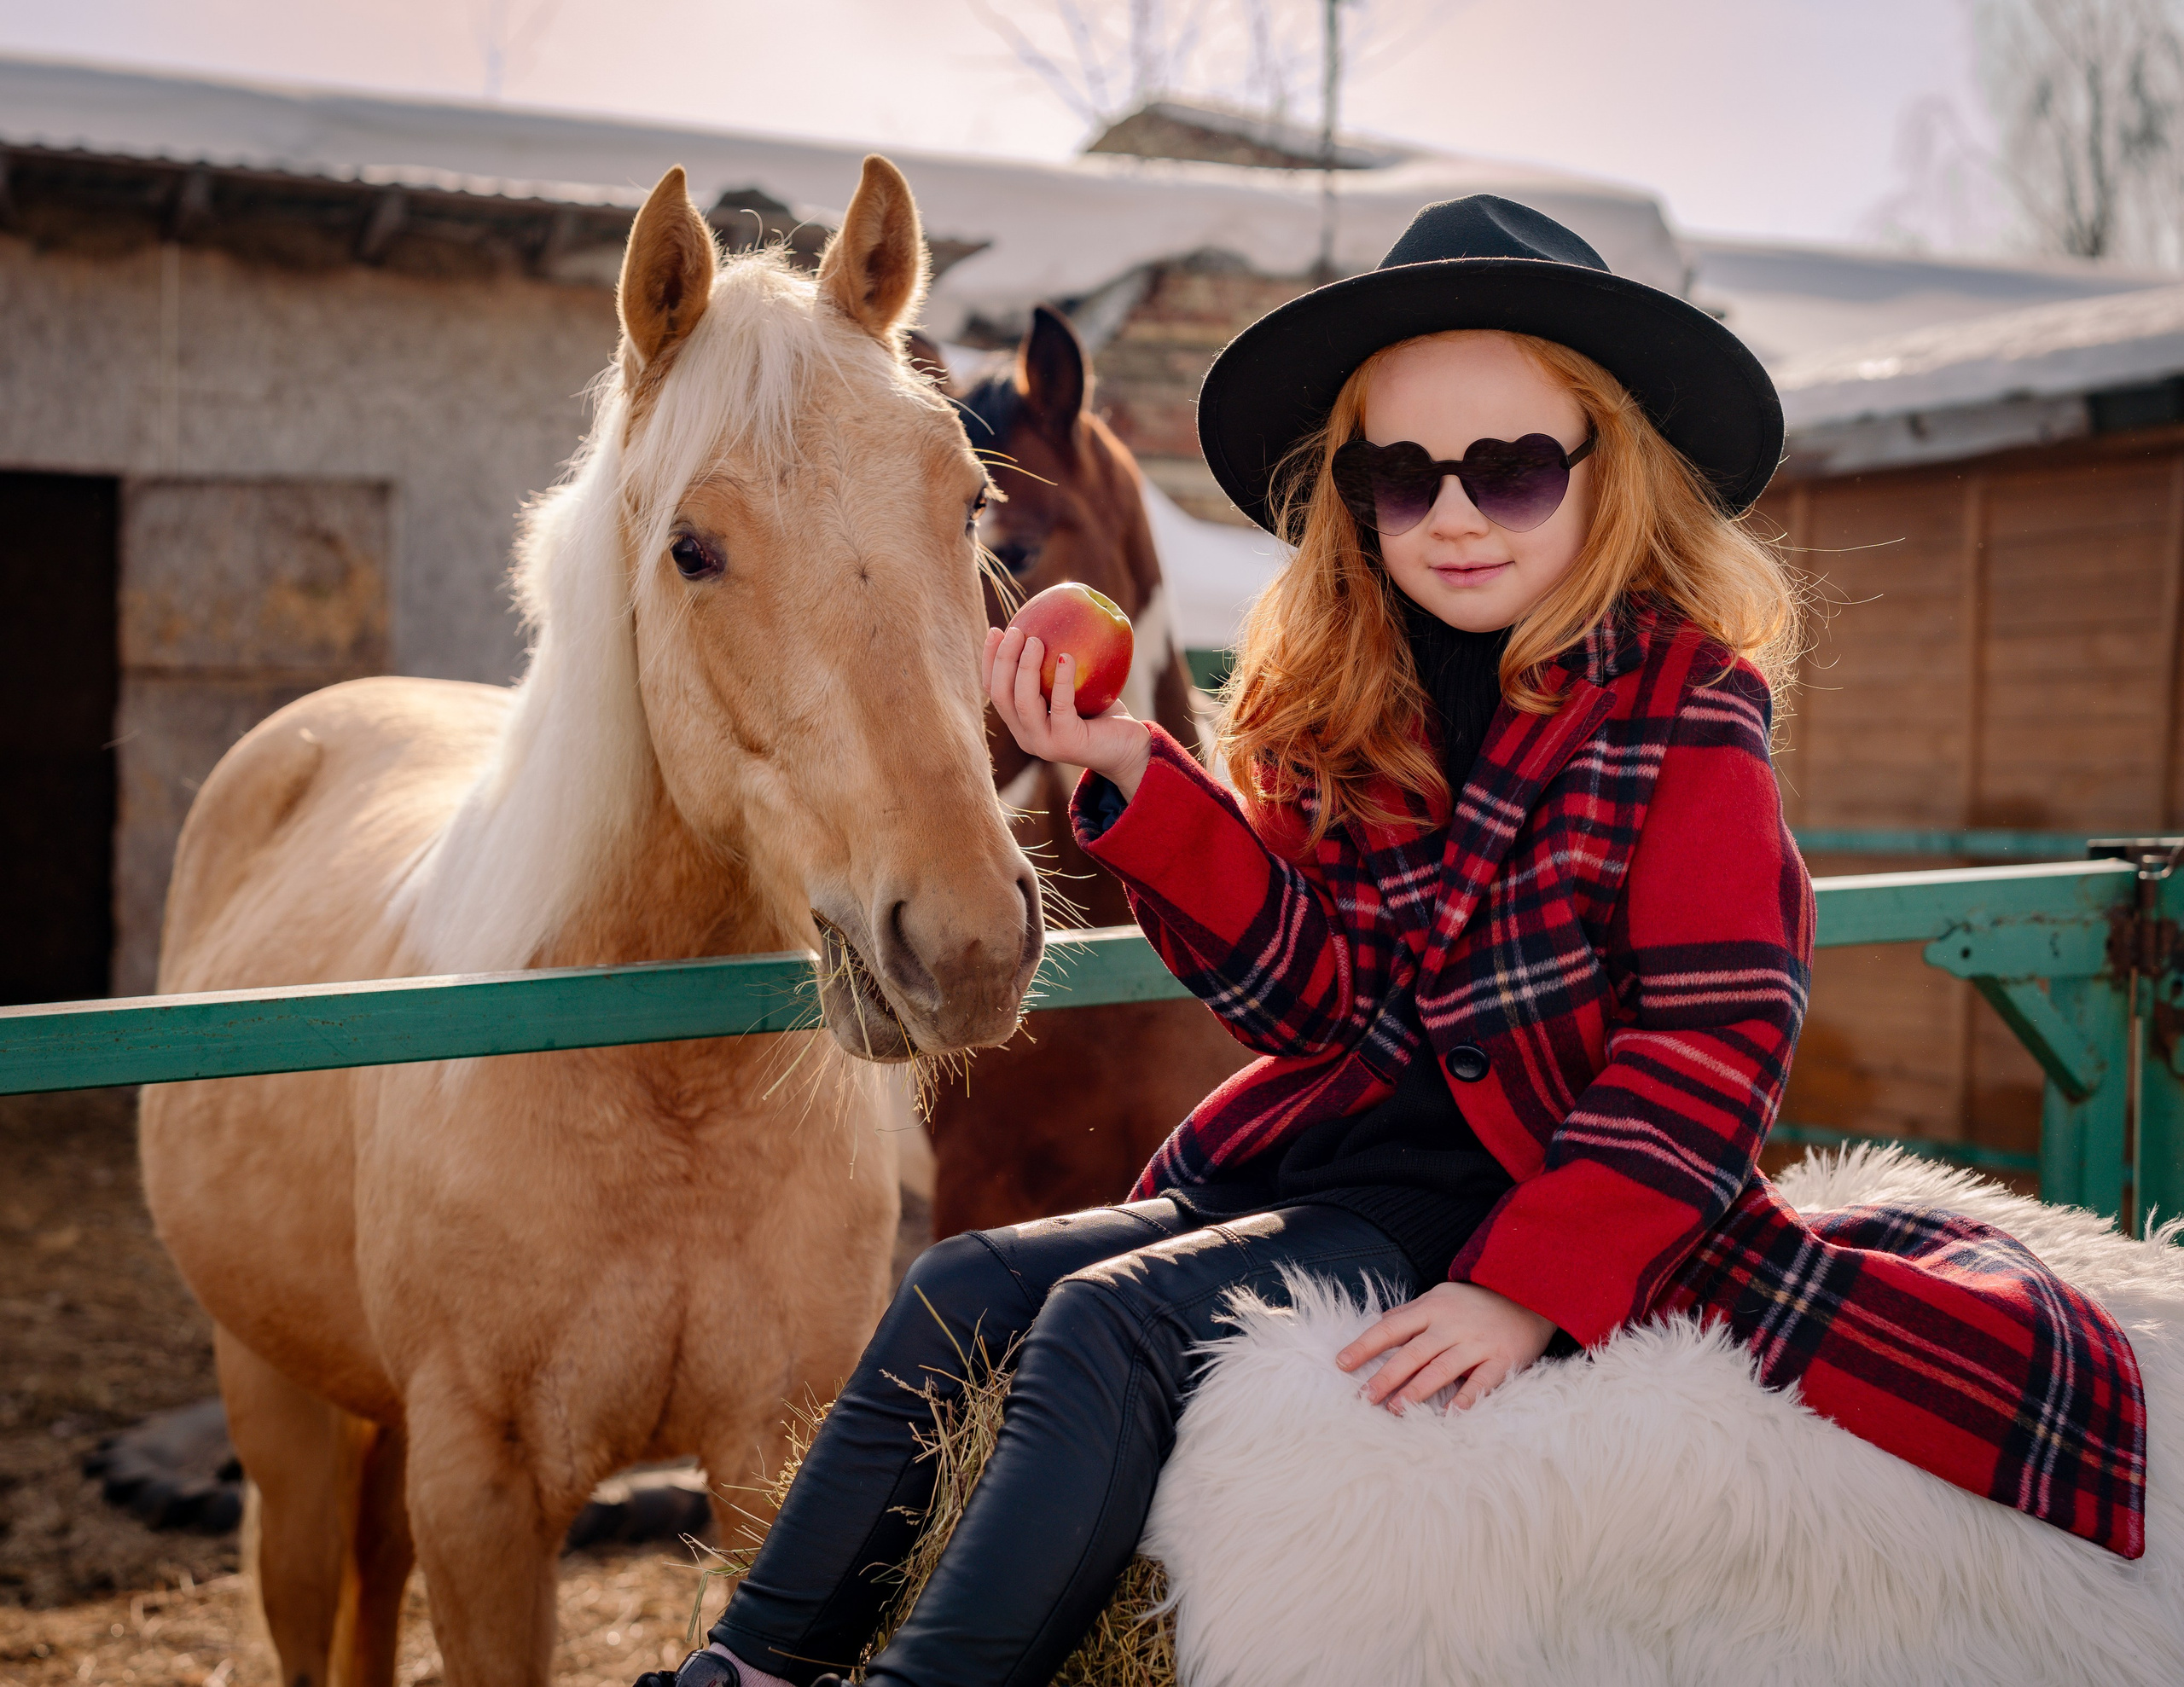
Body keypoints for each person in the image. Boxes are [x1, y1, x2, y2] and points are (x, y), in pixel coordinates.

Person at [642, 196, 2146, 1687]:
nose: (1455, 515)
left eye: (1511, 468)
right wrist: (1133, 776)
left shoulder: (1686, 711)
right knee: (961, 1284)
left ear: (1607, 472)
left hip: (1536, 1177)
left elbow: (1717, 1036)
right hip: (1345, 1155)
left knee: (1109, 1327)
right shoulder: (1343, 696)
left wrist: (1530, 1281)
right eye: (1402, 476)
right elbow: (1312, 993)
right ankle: (748, 1667)